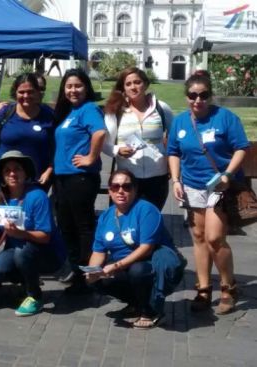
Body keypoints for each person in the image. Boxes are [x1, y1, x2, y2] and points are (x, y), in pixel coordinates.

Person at [167, 71, 249, 314]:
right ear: (187, 97)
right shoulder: (181, 122)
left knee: (215, 238)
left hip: (219, 185)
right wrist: (175, 180)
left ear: (210, 96)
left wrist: (228, 174)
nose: (198, 100)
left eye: (203, 95)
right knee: (199, 237)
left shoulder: (225, 118)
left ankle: (228, 286)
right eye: (193, 95)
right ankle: (203, 289)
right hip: (192, 185)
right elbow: (173, 151)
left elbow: (241, 148)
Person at [85, 170, 184, 329]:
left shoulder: (146, 210)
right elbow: (99, 251)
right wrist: (92, 272)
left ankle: (151, 311)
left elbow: (146, 248)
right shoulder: (105, 217)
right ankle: (136, 303)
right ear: (109, 191)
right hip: (125, 264)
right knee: (99, 281)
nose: (121, 191)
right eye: (115, 187)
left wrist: (116, 266)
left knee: (137, 271)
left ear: (135, 189)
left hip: (151, 262)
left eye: (127, 186)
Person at [0, 151, 66, 316]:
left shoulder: (38, 196)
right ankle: (25, 283)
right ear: (2, 175)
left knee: (22, 254)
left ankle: (35, 297)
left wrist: (21, 234)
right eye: (7, 170)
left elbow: (45, 237)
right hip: (16, 249)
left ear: (25, 172)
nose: (12, 173)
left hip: (46, 252)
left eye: (17, 169)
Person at [53, 68, 106, 294]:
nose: (73, 90)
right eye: (69, 86)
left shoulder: (88, 109)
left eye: (78, 86)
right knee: (66, 226)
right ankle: (76, 271)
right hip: (63, 178)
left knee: (83, 227)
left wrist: (91, 157)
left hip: (80, 178)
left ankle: (87, 277)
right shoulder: (69, 112)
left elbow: (100, 133)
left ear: (86, 88)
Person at [103, 67, 174, 210]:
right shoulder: (115, 111)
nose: (133, 87)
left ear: (146, 84)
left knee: (150, 219)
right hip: (127, 179)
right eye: (128, 84)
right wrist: (117, 150)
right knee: (125, 220)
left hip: (157, 178)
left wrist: (171, 165)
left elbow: (174, 139)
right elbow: (104, 144)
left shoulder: (162, 108)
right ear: (123, 88)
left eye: (137, 82)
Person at [0, 73, 55, 191]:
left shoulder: (48, 115)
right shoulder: (5, 112)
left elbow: (57, 146)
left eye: (30, 91)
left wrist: (49, 170)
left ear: (37, 92)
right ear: (15, 93)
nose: (25, 95)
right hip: (6, 181)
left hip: (37, 181)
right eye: (21, 92)